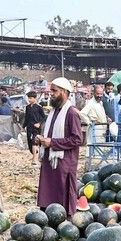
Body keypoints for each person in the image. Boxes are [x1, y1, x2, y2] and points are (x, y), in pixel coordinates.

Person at [35, 77, 84, 215]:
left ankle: (65, 219)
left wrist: (52, 143)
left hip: (64, 161)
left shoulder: (71, 113)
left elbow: (77, 139)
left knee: (63, 192)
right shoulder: (53, 111)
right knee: (49, 189)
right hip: (50, 159)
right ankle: (48, 215)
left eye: (54, 91)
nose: (51, 94)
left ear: (64, 92)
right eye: (51, 91)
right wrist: (42, 140)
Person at [23, 92, 45, 165]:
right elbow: (26, 118)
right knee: (30, 143)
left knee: (34, 142)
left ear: (35, 98)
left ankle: (35, 159)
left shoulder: (39, 107)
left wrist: (39, 123)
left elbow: (43, 117)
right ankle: (34, 157)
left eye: (30, 98)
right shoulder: (28, 107)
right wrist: (23, 126)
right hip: (29, 127)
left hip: (36, 128)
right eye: (28, 98)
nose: (29, 100)